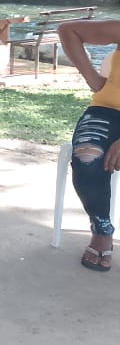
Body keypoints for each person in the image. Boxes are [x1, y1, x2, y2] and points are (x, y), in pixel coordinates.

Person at [57, 20, 120, 271]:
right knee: (87, 158)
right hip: (107, 110)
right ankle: (101, 228)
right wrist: (93, 79)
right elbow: (68, 31)